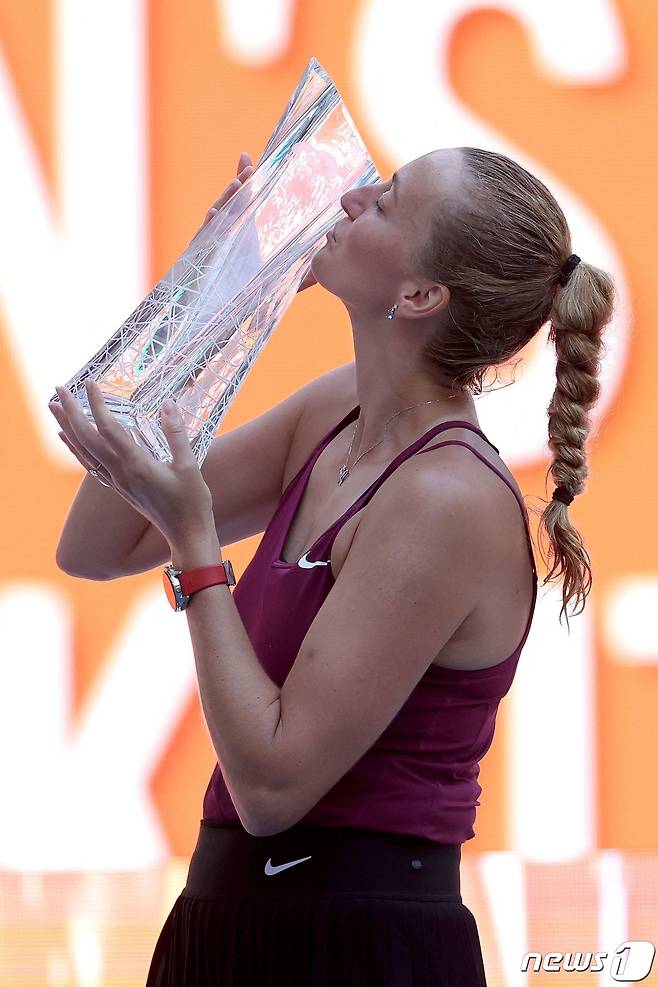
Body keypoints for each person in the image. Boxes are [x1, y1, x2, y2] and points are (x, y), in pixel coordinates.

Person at [54, 148, 616, 985]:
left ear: (420, 296)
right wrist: (206, 294)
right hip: (227, 921)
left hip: (352, 944)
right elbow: (98, 544)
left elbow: (273, 786)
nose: (350, 199)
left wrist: (200, 550)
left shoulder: (446, 496)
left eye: (387, 202)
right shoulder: (336, 409)